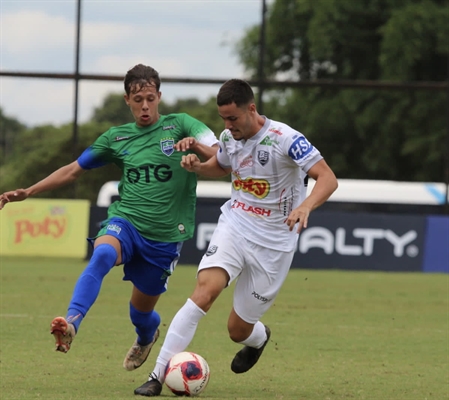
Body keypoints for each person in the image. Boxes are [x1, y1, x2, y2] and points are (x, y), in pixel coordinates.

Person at [0, 64, 219, 372]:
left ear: (159, 97)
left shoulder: (181, 125)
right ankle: (72, 323)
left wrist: (196, 146)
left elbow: (218, 150)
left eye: (151, 98)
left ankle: (147, 336)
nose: (145, 105)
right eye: (138, 99)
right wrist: (30, 191)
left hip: (164, 238)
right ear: (127, 100)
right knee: (102, 253)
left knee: (140, 314)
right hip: (126, 221)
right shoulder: (116, 138)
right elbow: (74, 169)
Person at [134, 78, 338, 396]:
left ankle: (258, 339)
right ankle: (157, 375)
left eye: (233, 118)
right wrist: (198, 167)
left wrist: (306, 206)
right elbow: (222, 166)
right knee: (204, 292)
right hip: (235, 225)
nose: (227, 126)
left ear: (251, 109)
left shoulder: (286, 139)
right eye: (223, 119)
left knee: (237, 329)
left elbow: (327, 177)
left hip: (274, 244)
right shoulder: (230, 137)